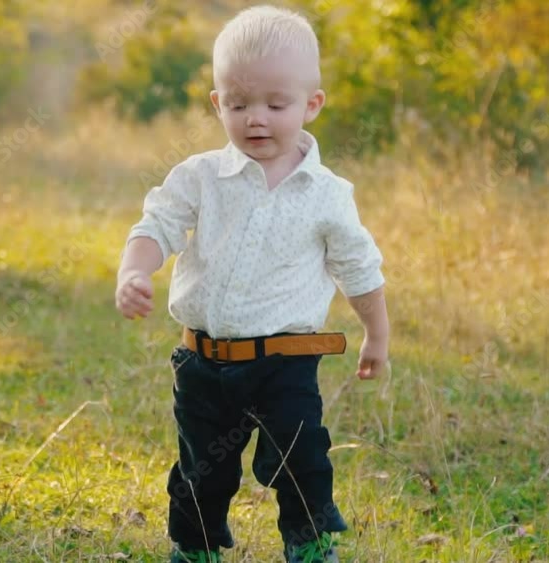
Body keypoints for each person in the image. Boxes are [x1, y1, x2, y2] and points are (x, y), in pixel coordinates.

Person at [114, 5, 389, 562]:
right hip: (205, 360)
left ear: (311, 104)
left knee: (301, 456)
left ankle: (309, 544)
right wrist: (134, 269)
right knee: (201, 467)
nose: (255, 118)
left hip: (286, 361)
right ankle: (195, 549)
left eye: (275, 104)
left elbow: (359, 268)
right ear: (218, 103)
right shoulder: (199, 177)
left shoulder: (327, 194)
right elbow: (157, 226)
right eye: (238, 104)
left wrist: (376, 335)